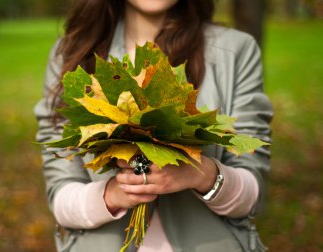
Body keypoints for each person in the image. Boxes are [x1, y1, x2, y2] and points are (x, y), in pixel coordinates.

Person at [34, 0, 273, 251]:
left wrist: (201, 174)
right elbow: (60, 194)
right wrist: (112, 195)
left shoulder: (235, 51)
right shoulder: (73, 52)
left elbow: (252, 194)